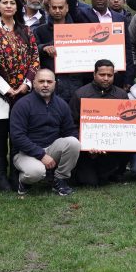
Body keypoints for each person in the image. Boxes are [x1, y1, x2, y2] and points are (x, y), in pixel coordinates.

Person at [0, 0, 38, 192]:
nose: (9, 6)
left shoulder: (26, 30)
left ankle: (16, 172)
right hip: (0, 92)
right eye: (5, 2)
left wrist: (25, 85)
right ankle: (0, 173)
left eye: (13, 2)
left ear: (17, 7)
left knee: (19, 133)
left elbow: (34, 60)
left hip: (23, 92)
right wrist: (7, 89)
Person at [10, 68, 79, 196]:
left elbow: (70, 131)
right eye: (41, 81)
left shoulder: (62, 104)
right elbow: (17, 137)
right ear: (34, 83)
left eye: (49, 81)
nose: (45, 85)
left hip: (51, 148)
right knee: (36, 172)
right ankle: (24, 181)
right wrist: (41, 155)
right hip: (25, 152)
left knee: (74, 142)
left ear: (54, 84)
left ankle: (59, 179)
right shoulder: (22, 104)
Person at [69, 60, 129, 186]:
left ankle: (115, 171)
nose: (106, 78)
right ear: (94, 74)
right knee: (90, 182)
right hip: (87, 151)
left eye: (110, 75)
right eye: (102, 75)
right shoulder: (80, 94)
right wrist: (86, 144)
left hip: (113, 148)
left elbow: (126, 125)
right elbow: (72, 125)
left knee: (104, 178)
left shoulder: (121, 95)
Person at [33, 0, 83, 104]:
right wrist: (44, 48)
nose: (57, 10)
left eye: (60, 7)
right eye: (54, 7)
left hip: (74, 83)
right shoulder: (40, 30)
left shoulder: (79, 30)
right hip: (50, 83)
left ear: (67, 8)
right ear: (48, 9)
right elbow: (32, 51)